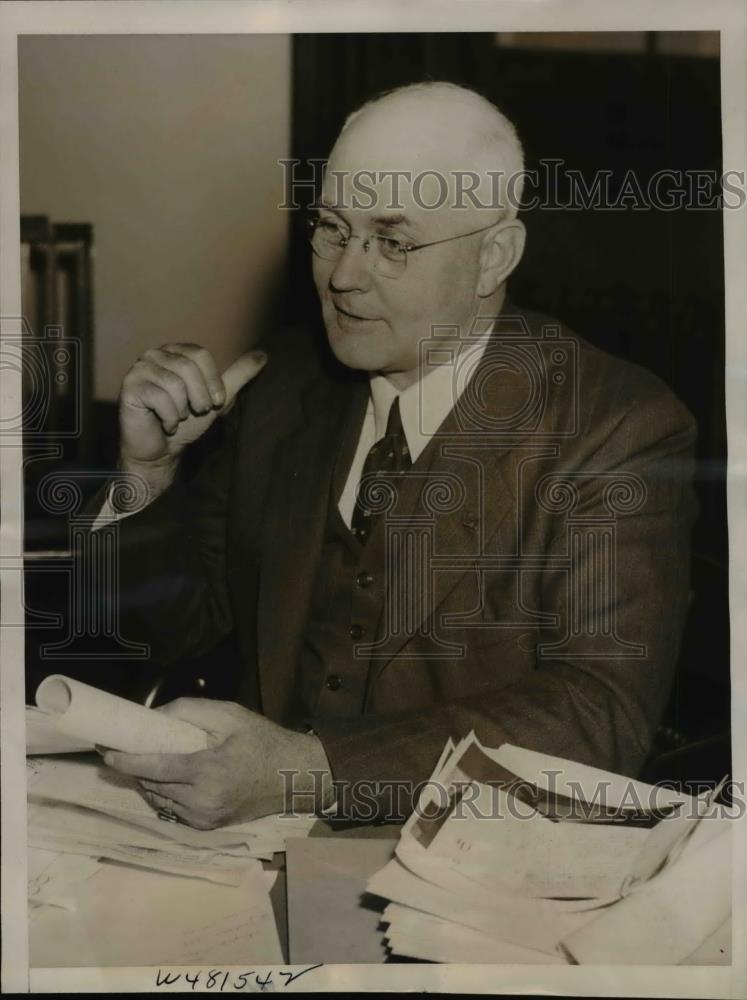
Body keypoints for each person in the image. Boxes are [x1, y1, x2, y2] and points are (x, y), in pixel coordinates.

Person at [96, 82, 697, 829]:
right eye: (332, 230)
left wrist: (312, 772)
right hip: (249, 861)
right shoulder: (282, 390)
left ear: (493, 257)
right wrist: (147, 475)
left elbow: (598, 717)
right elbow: (166, 637)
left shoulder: (615, 427)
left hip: (481, 886)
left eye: (392, 242)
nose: (344, 275)